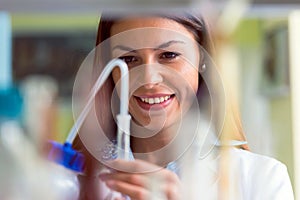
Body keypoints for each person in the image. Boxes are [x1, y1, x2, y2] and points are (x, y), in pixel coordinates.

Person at [73, 11, 294, 200]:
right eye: (129, 59)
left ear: (203, 60)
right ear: (108, 70)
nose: (149, 79)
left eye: (169, 55)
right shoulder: (67, 179)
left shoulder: (262, 178)